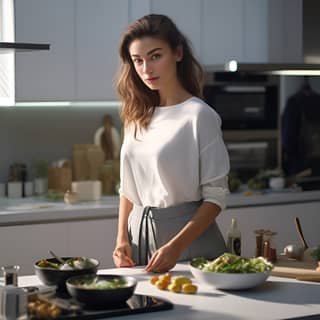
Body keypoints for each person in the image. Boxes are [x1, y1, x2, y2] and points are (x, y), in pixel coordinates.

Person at [112, 14, 230, 273]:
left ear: (178, 53)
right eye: (138, 60)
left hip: (189, 243)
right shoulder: (135, 115)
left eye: (155, 56)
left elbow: (216, 198)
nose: (146, 69)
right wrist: (122, 238)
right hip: (137, 238)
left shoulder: (199, 116)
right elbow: (127, 188)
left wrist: (176, 246)